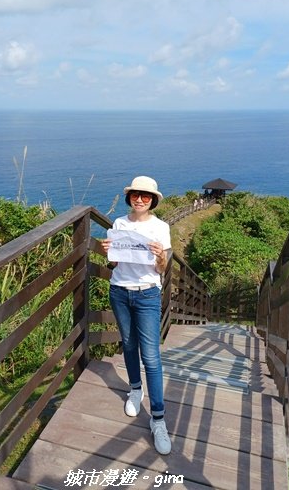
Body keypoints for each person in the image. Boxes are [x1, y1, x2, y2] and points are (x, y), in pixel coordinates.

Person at [101, 176, 172, 455]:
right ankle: (134, 389)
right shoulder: (119, 224)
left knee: (151, 356)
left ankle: (158, 419)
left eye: (145, 196)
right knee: (128, 344)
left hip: (147, 294)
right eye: (135, 195)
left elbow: (162, 269)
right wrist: (107, 252)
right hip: (119, 290)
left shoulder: (160, 227)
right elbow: (115, 262)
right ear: (130, 197)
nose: (139, 199)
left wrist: (160, 256)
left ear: (152, 199)